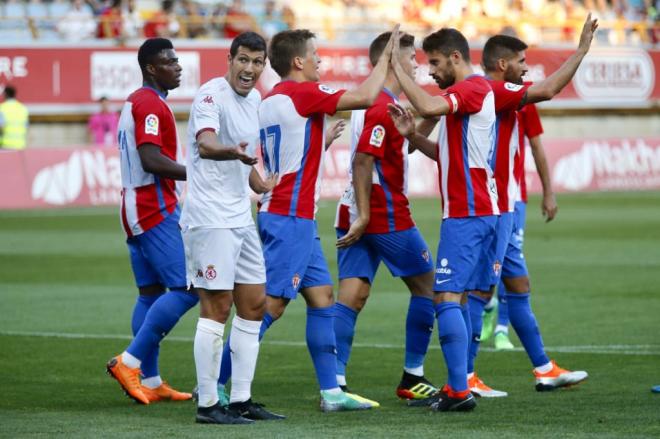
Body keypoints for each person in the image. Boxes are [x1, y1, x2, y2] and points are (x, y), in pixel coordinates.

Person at [221, 26, 399, 412]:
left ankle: (332, 392)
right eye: (316, 54)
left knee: (322, 298)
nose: (320, 60)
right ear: (299, 61)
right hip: (290, 217)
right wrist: (388, 59)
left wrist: (322, 141)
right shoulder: (303, 93)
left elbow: (288, 150)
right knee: (268, 307)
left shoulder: (270, 100)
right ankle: (219, 384)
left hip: (291, 214)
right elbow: (367, 97)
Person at [464, 16, 598, 397]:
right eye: (522, 61)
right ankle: (466, 375)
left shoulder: (503, 94)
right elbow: (551, 88)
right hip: (494, 208)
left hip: (508, 206)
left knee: (517, 285)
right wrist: (582, 50)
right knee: (479, 291)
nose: (528, 67)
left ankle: (543, 368)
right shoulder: (494, 92)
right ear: (503, 64)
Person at [387, 27, 499, 412]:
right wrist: (413, 138)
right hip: (479, 211)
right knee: (459, 297)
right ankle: (460, 383)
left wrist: (396, 70)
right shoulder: (471, 97)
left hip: (468, 213)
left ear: (455, 58)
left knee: (445, 295)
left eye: (433, 62)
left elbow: (430, 106)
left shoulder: (470, 89)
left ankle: (457, 390)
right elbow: (448, 155)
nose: (429, 71)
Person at [182, 31, 284, 425]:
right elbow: (207, 143)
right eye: (243, 60)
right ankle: (208, 404)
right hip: (209, 217)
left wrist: (260, 183)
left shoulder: (256, 99)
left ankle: (241, 399)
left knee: (254, 304)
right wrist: (235, 154)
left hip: (240, 215)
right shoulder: (210, 95)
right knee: (217, 306)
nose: (250, 69)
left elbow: (247, 161)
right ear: (230, 59)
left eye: (257, 63)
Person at [332, 31, 437, 402]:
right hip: (382, 211)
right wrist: (365, 215)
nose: (416, 65)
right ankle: (413, 376)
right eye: (411, 59)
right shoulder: (380, 105)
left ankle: (336, 384)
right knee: (430, 287)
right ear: (393, 61)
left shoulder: (377, 101)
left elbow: (398, 147)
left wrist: (430, 117)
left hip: (355, 207)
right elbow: (364, 160)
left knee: (352, 295)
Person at [106, 38, 198, 405]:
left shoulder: (141, 101)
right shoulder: (148, 104)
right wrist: (198, 174)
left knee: (150, 293)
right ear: (151, 68)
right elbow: (151, 159)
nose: (177, 66)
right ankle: (129, 362)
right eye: (169, 61)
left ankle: (153, 380)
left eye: (177, 60)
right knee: (188, 287)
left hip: (134, 204)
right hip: (151, 207)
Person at [480, 102, 554, 351]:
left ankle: (502, 329)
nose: (524, 67)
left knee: (509, 265)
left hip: (514, 198)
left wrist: (548, 192)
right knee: (486, 263)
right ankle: (488, 305)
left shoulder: (525, 101)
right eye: (520, 61)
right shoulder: (481, 96)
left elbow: (536, 146)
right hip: (483, 196)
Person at [0, 85, 29, 150]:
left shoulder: (2, 108)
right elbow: (26, 127)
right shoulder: (22, 108)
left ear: (5, 94)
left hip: (6, 144)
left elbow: (1, 126)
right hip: (21, 145)